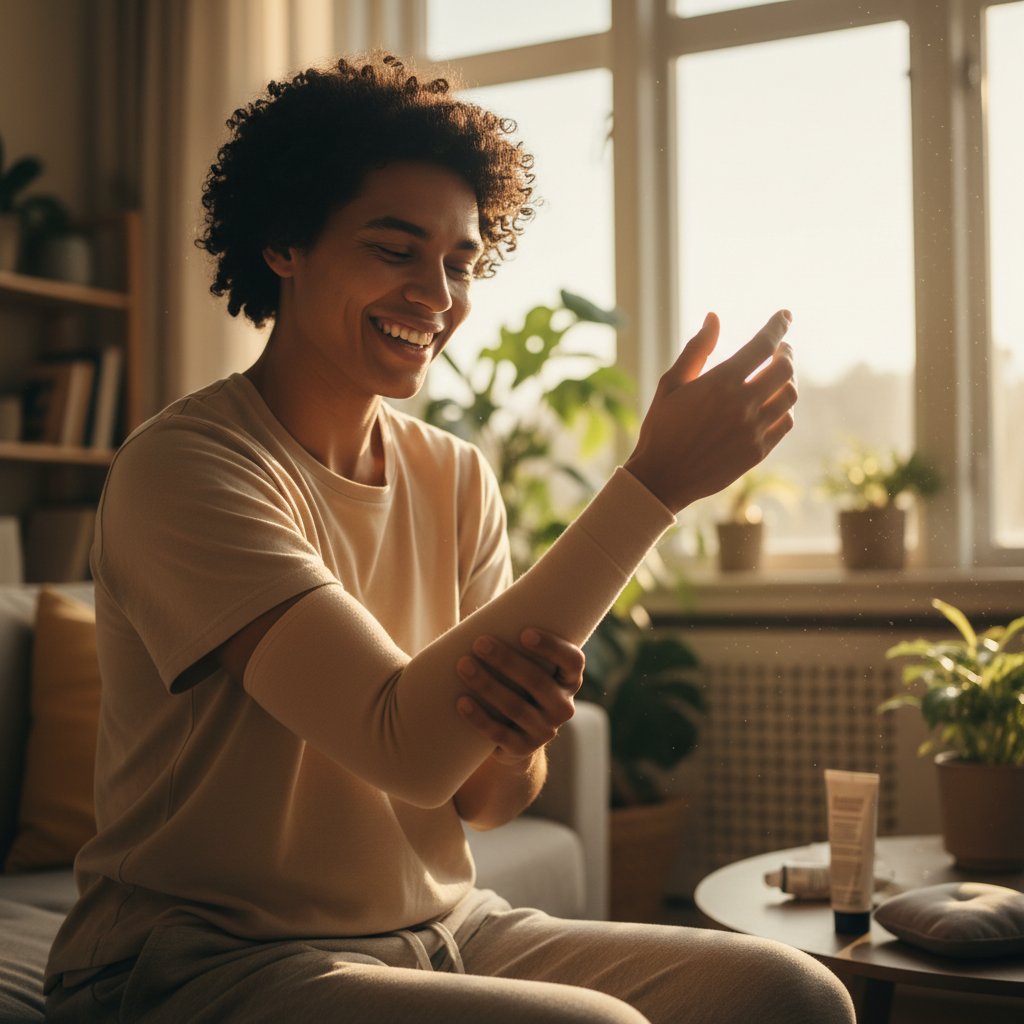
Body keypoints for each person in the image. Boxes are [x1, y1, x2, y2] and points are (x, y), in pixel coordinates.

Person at [45, 53, 854, 1024]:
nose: (438, 295)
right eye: (395, 250)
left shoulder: (456, 475)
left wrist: (513, 739)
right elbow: (404, 744)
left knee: (791, 992)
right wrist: (654, 486)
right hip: (199, 960)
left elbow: (484, 800)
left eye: (460, 263)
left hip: (438, 927)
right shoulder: (187, 467)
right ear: (285, 242)